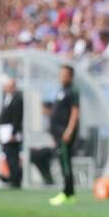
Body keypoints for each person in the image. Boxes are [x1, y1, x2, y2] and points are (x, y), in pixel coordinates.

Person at [48, 65, 80, 205]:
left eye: (65, 74)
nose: (62, 76)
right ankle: (70, 193)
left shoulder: (72, 91)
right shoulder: (61, 90)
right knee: (63, 162)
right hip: (58, 134)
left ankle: (66, 192)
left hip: (65, 133)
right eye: (61, 74)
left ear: (71, 76)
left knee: (65, 163)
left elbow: (75, 112)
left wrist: (69, 130)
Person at [0, 78, 23, 188]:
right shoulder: (5, 98)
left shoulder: (18, 99)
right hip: (4, 132)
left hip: (11, 132)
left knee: (13, 156)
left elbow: (17, 117)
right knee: (8, 155)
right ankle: (11, 177)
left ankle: (16, 180)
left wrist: (13, 133)